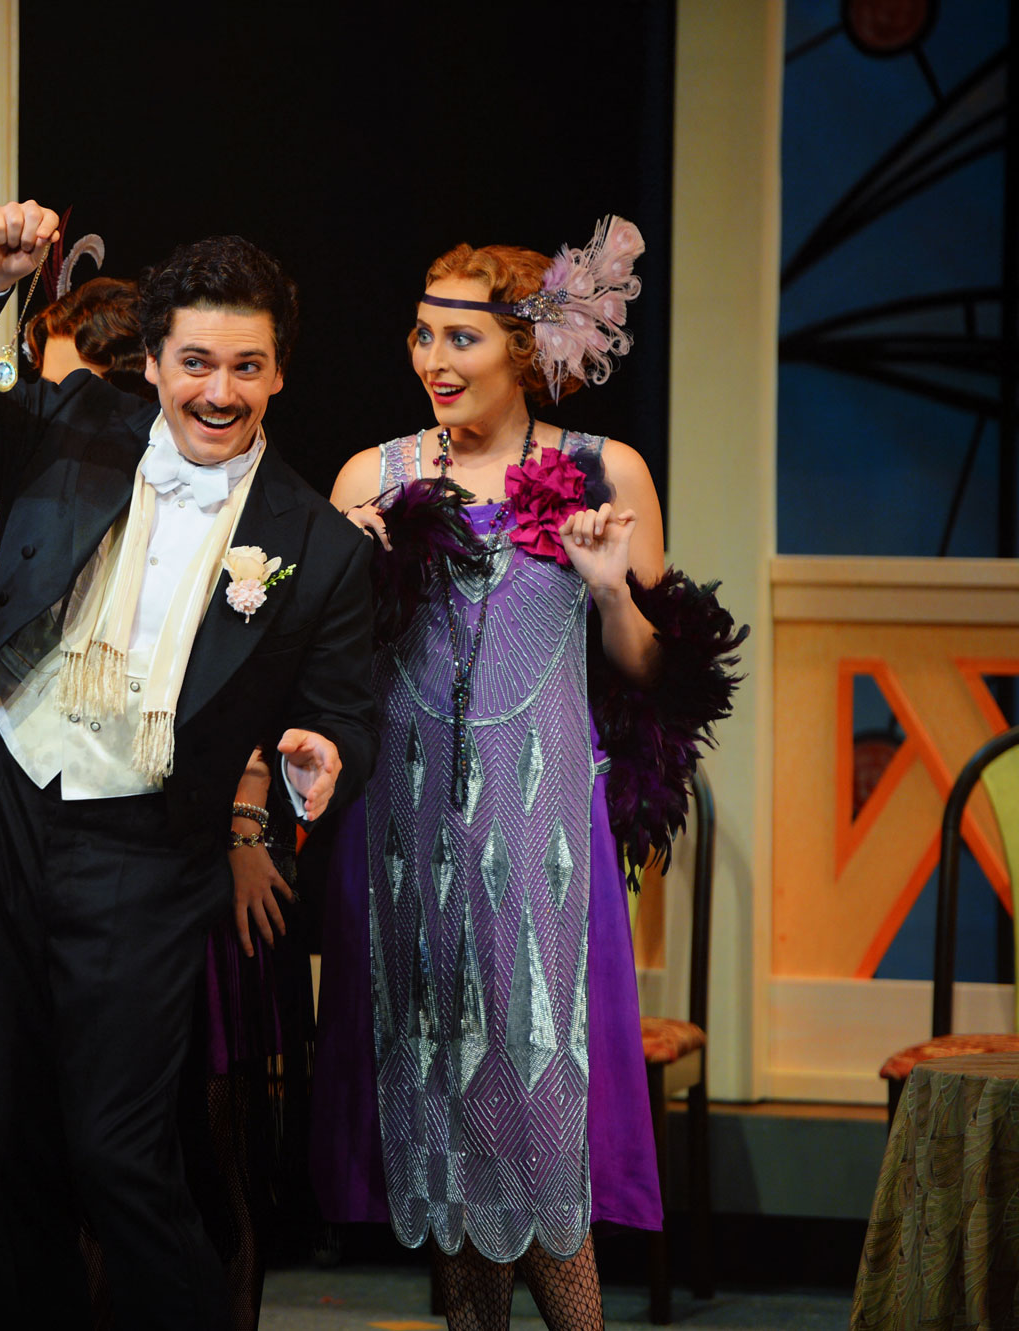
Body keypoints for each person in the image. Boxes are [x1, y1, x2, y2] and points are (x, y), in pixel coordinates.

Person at [0, 201, 377, 1331]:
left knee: (118, 1150)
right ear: (151, 361)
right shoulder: (71, 425)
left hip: (144, 850)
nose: (218, 391)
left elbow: (346, 710)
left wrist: (319, 750)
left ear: (279, 373)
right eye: (195, 362)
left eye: (246, 367)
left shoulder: (318, 544)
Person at [311, 220, 743, 1331]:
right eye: (421, 333)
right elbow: (326, 668)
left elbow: (653, 675)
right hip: (404, 829)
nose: (432, 358)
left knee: (536, 1116)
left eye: (459, 337)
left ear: (524, 347)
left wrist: (606, 587)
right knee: (443, 1123)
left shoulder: (604, 470)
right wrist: (348, 568)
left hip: (541, 828)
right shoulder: (374, 475)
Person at [27, 274, 315, 1330]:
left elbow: (257, 691)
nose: (216, 387)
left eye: (66, 384)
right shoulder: (84, 482)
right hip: (70, 840)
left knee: (190, 1146)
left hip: (186, 858)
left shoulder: (279, 521)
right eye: (195, 364)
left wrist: (244, 826)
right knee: (71, 1153)